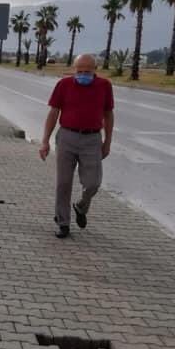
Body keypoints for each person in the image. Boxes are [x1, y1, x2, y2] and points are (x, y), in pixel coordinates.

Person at [38, 53, 114, 238]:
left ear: (95, 70)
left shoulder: (104, 86)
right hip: (67, 137)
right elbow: (53, 113)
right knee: (63, 183)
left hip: (92, 139)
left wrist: (107, 142)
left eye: (87, 71)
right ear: (74, 69)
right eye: (79, 71)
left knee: (93, 183)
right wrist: (45, 141)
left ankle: (81, 206)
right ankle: (63, 222)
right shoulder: (64, 85)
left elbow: (108, 115)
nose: (83, 75)